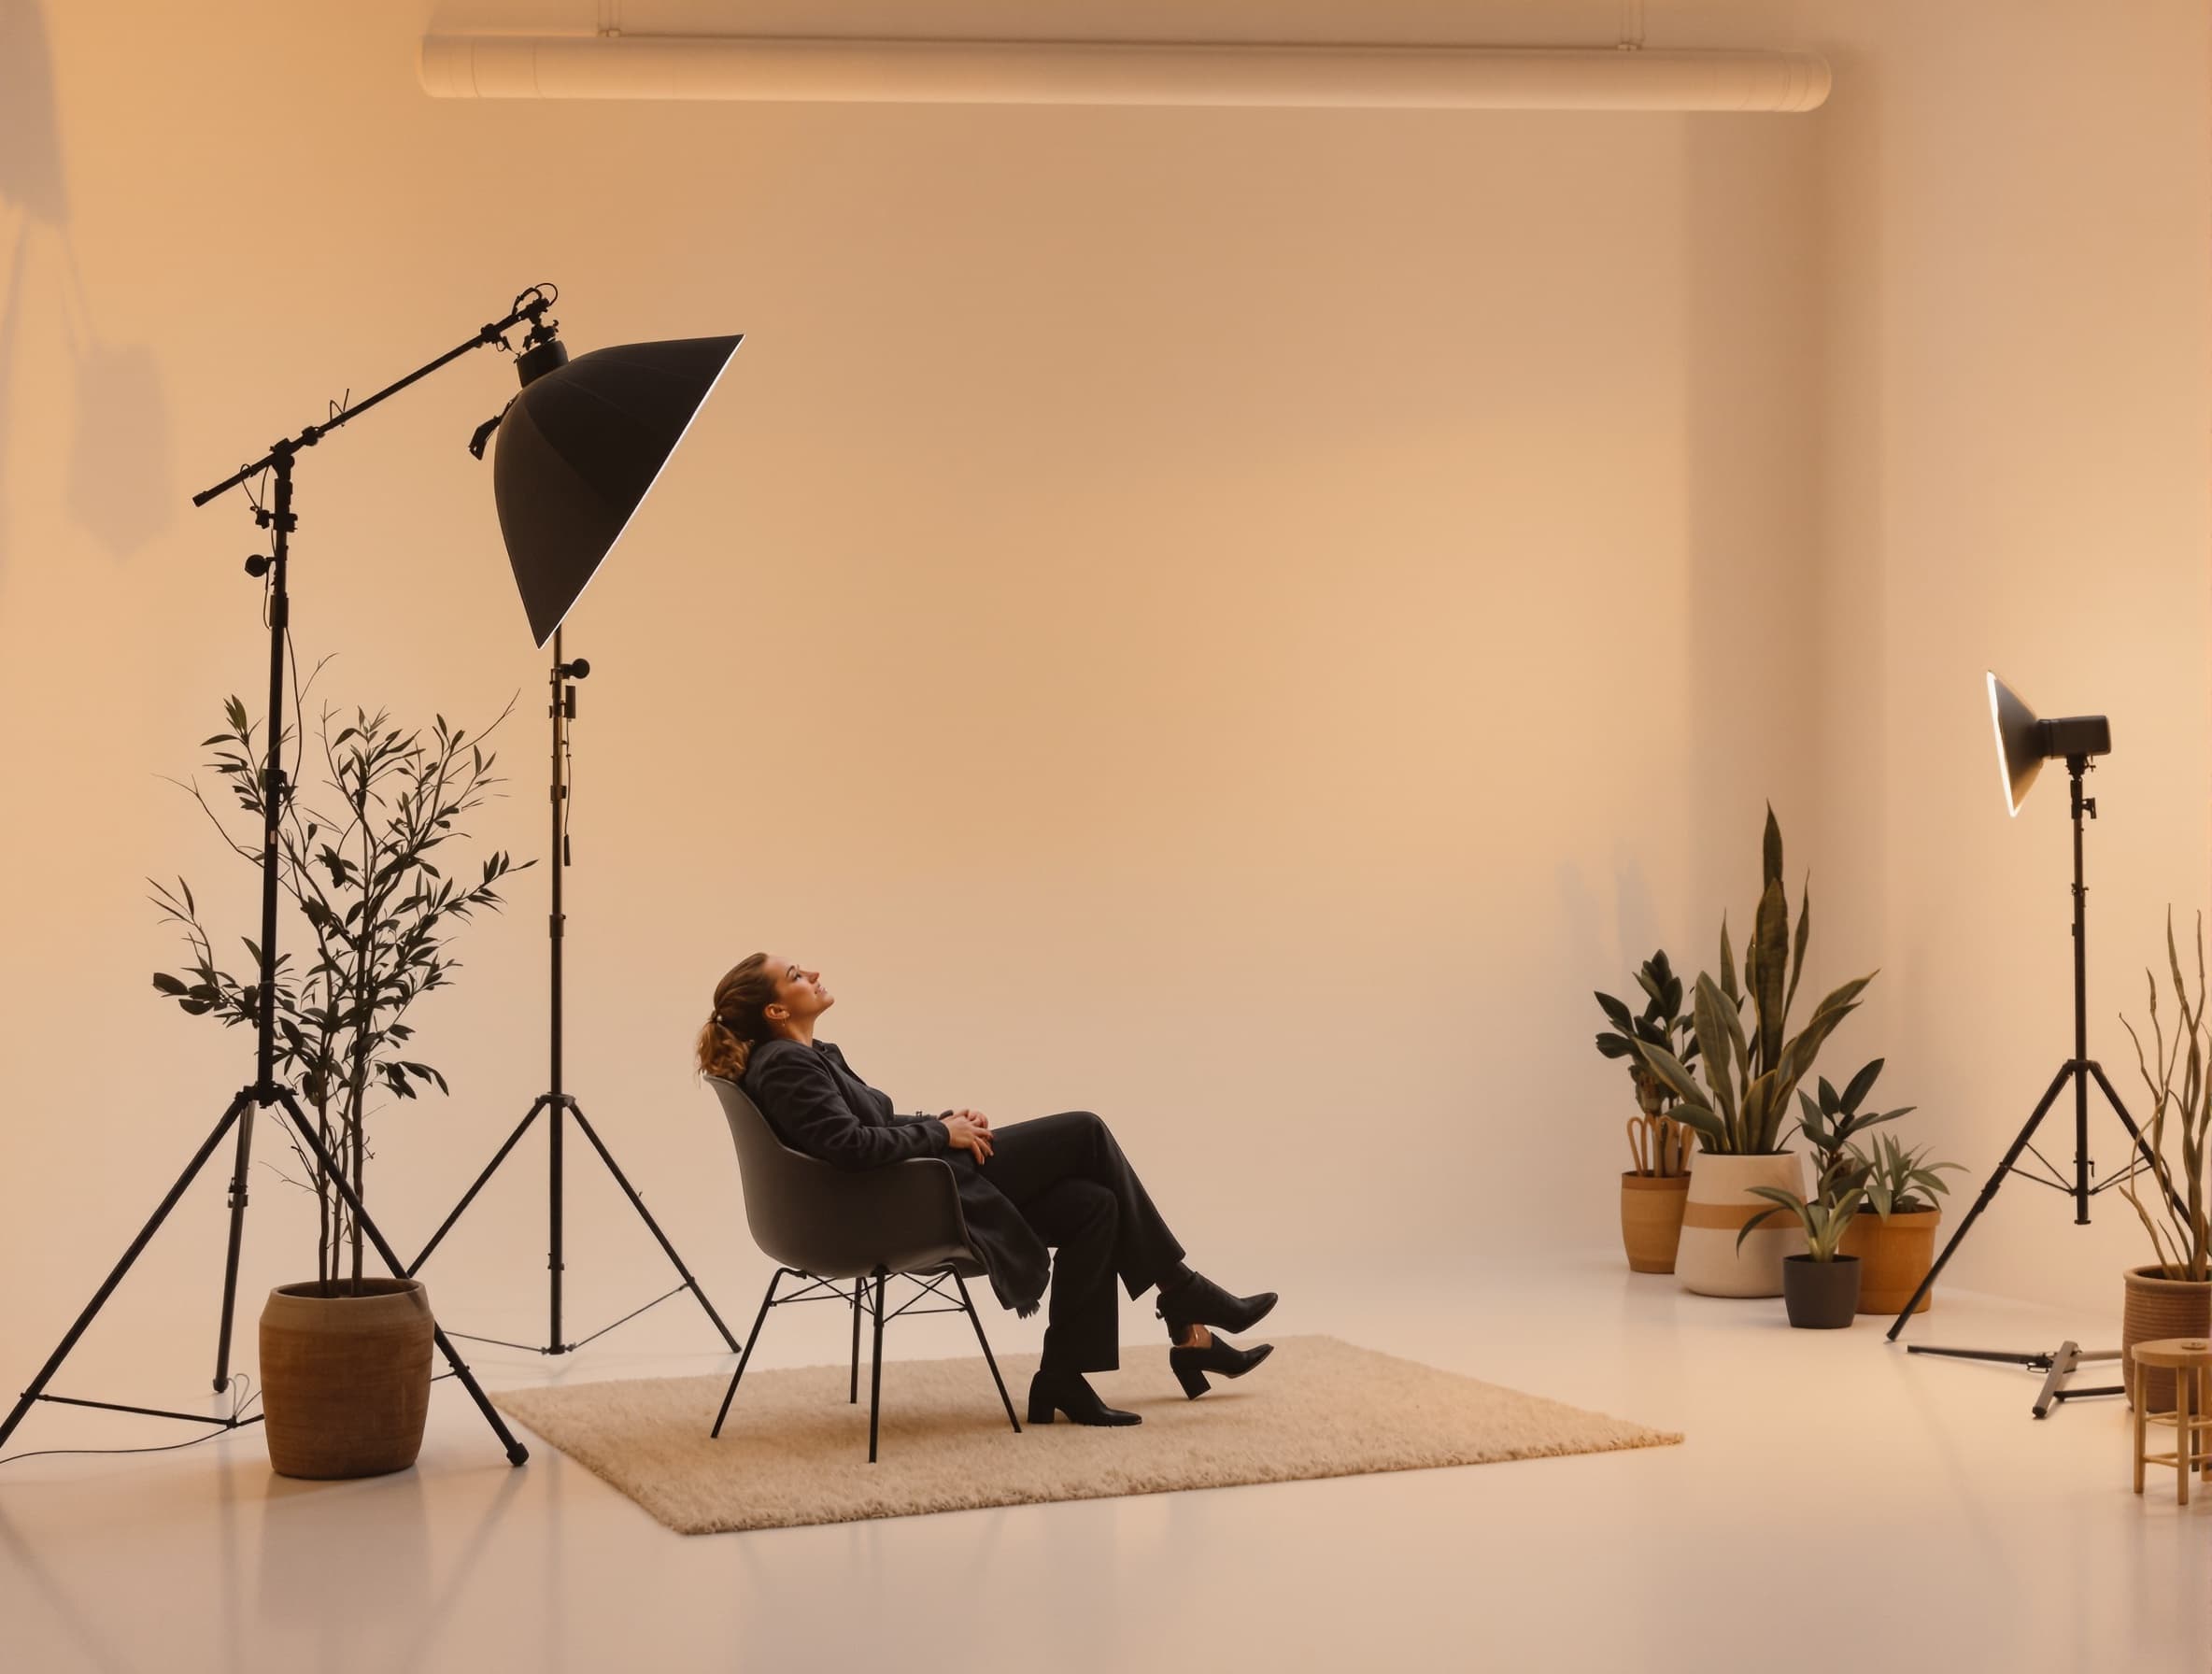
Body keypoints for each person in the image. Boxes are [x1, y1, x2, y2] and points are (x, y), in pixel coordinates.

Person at [697, 952, 1277, 1426]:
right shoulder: (785, 1066)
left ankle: (1064, 1378)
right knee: (1085, 1130)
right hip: (902, 1207)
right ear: (775, 1008)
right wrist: (941, 1135)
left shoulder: (810, 1056)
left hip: (911, 1191)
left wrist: (948, 1123)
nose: (815, 971)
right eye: (797, 976)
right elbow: (850, 1149)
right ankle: (1183, 1296)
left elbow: (873, 1126)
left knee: (1092, 1206)